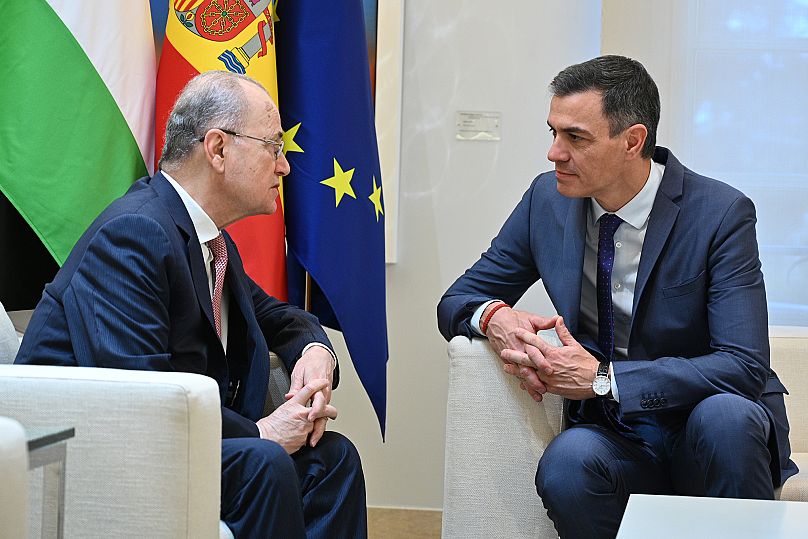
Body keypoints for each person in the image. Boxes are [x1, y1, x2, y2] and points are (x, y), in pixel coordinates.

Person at [437, 55, 797, 539]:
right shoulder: (546, 201)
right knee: (567, 462)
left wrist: (607, 380)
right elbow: (459, 298)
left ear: (633, 141)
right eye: (553, 133)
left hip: (707, 427)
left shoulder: (719, 213)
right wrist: (495, 317)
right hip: (617, 436)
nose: (554, 153)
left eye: (576, 138)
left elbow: (743, 365)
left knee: (727, 419)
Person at [16, 71, 367, 538]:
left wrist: (316, 353)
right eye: (274, 147)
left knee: (334, 460)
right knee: (264, 462)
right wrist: (264, 432)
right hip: (94, 451)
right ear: (218, 149)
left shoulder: (207, 238)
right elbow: (141, 392)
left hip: (170, 439)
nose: (284, 167)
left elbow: (276, 316)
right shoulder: (135, 233)